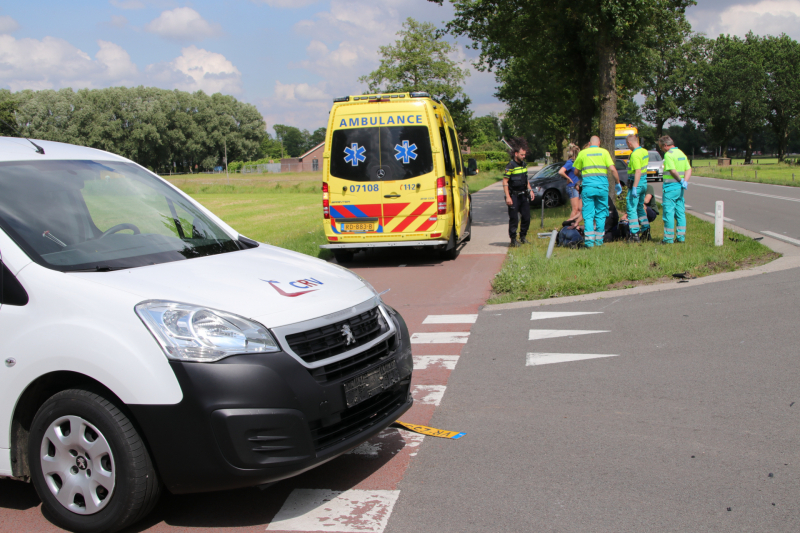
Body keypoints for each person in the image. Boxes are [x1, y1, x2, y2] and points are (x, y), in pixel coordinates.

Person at [573, 136, 620, 248]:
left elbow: (576, 171)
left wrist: (581, 174)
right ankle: (599, 241)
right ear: (599, 143)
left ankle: (589, 242)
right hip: (602, 188)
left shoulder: (583, 153)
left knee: (588, 215)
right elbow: (613, 169)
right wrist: (618, 182)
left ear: (589, 143)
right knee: (601, 214)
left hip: (588, 187)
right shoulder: (604, 152)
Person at [659, 135, 692, 243]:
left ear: (665, 145)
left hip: (670, 188)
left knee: (668, 213)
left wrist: (679, 180)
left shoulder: (669, 155)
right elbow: (688, 169)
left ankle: (668, 238)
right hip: (680, 189)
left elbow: (672, 171)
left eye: (661, 147)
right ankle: (681, 237)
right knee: (680, 213)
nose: (662, 150)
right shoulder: (681, 153)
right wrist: (684, 181)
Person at [503, 137, 535, 247]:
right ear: (516, 154)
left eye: (524, 155)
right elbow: (505, 181)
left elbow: (526, 180)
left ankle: (523, 237)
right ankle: (513, 239)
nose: (524, 156)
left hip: (523, 195)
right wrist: (508, 197)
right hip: (514, 196)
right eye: (522, 154)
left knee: (526, 217)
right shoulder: (510, 166)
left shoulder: (524, 165)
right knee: (514, 219)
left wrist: (530, 190)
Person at [624, 134, 650, 243]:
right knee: (640, 207)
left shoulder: (634, 154)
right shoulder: (644, 151)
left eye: (627, 145)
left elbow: (637, 171)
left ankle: (634, 234)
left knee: (631, 208)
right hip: (644, 183)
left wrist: (634, 187)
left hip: (637, 184)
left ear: (630, 143)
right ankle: (646, 229)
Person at [558, 144, 581, 223]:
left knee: (580, 209)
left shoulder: (577, 163)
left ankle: (576, 225)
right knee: (575, 209)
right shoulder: (570, 162)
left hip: (578, 187)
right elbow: (561, 171)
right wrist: (568, 178)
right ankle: (569, 225)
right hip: (572, 187)